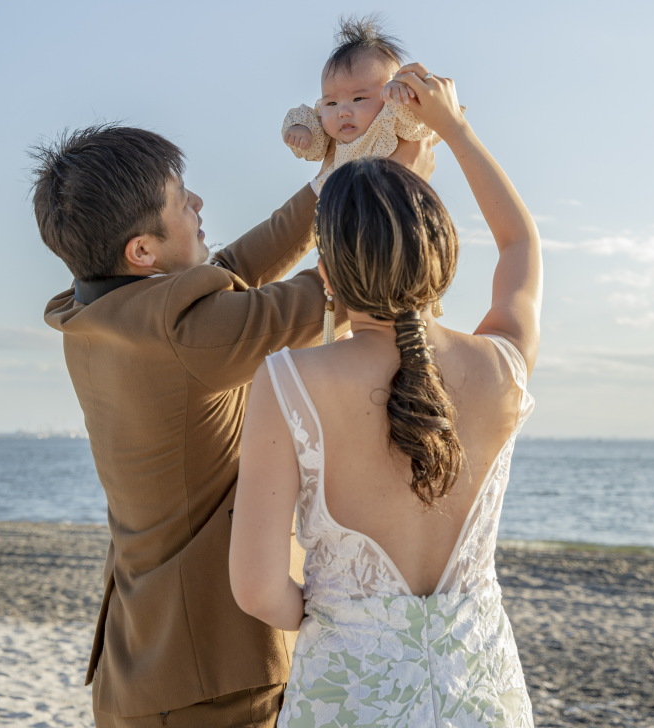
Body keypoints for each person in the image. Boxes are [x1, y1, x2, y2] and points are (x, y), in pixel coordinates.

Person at [30, 122, 433, 728]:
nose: (197, 205)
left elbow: (228, 269)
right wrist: (393, 190)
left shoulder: (90, 311)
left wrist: (327, 182)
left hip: (142, 666)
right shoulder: (185, 335)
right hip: (211, 676)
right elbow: (344, 295)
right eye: (180, 197)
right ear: (142, 250)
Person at [230, 65, 542, 728]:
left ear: (330, 275)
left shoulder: (289, 381)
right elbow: (520, 243)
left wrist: (338, 618)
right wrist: (453, 128)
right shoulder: (502, 366)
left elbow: (257, 589)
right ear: (445, 250)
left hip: (350, 695)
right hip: (481, 695)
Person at [282, 16, 437, 196]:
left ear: (388, 92)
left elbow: (418, 124)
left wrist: (404, 96)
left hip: (388, 203)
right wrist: (301, 129)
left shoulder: (389, 119)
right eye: (331, 102)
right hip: (338, 209)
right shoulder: (330, 132)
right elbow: (312, 127)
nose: (343, 112)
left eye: (358, 99)